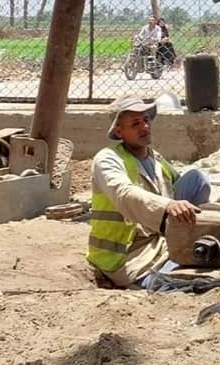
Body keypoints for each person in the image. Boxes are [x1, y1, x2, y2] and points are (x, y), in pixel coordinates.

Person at [87, 96, 213, 288]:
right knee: (175, 283)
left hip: (161, 238)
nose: (144, 127)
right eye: (135, 123)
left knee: (197, 179)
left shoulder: (156, 158)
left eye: (146, 120)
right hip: (128, 253)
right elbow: (123, 193)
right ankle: (154, 278)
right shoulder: (107, 159)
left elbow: (180, 188)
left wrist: (219, 202)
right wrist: (167, 205)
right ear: (119, 131)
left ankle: (185, 246)